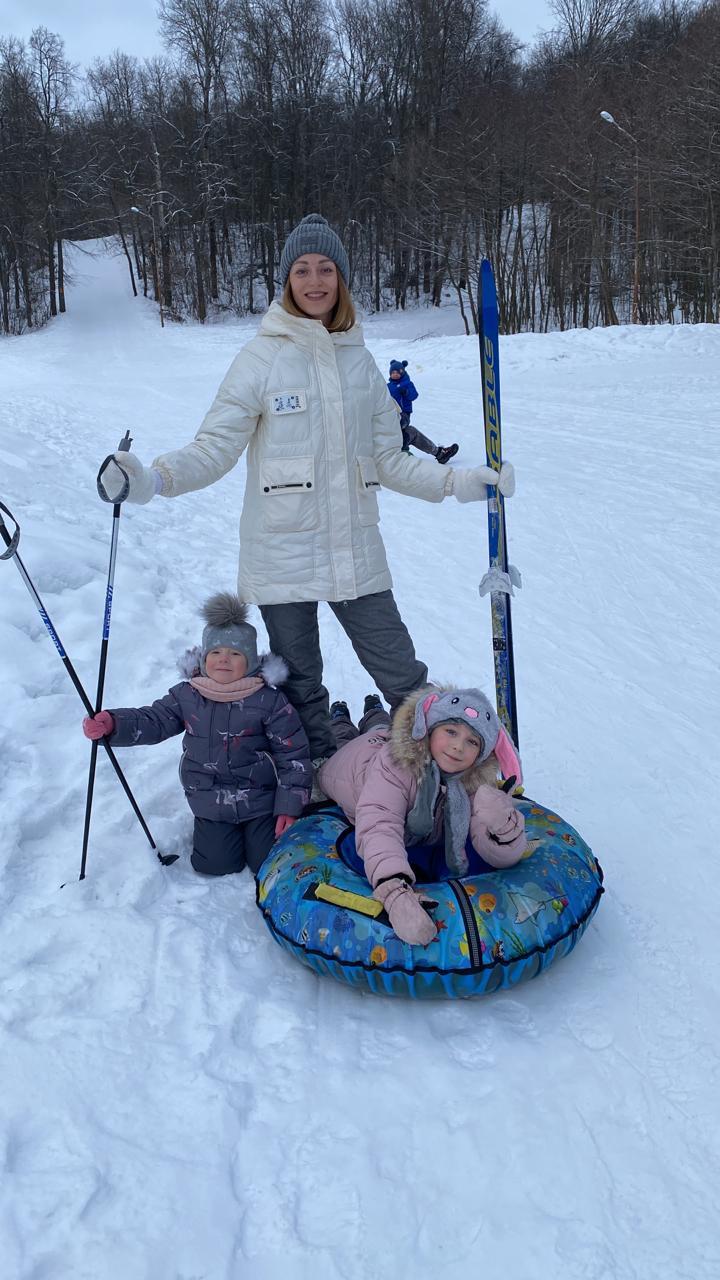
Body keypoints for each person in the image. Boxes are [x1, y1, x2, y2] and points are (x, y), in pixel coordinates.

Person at [99, 212, 516, 791]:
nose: (315, 280)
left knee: (399, 666)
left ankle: (449, 768)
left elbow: (389, 459)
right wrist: (152, 479)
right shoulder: (261, 358)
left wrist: (460, 483)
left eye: (326, 269)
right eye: (302, 270)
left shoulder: (362, 364)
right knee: (299, 678)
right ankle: (319, 770)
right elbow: (215, 447)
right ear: (286, 280)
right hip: (280, 552)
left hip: (354, 546)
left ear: (341, 279)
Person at [82, 592, 312, 877]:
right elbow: (154, 720)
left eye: (235, 653)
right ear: (204, 659)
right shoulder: (188, 696)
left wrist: (289, 807)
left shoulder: (269, 700)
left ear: (251, 661)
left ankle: (257, 837)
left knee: (268, 862)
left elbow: (293, 756)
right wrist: (114, 725)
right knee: (214, 864)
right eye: (215, 652)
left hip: (261, 801)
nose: (223, 660)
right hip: (211, 801)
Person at [319, 686, 527, 945]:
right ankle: (340, 715)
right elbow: (379, 825)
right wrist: (394, 892)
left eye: (472, 741)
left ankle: (374, 709)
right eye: (451, 731)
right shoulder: (394, 767)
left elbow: (489, 845)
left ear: (482, 753)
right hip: (355, 760)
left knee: (380, 727)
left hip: (383, 738)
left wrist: (503, 830)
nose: (458, 746)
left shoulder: (472, 783)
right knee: (346, 738)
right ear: (429, 728)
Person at [388, 359, 459, 465]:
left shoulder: (406, 383)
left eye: (397, 372)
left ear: (402, 373)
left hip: (403, 414)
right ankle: (404, 453)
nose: (395, 375)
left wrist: (406, 392)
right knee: (408, 432)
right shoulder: (387, 386)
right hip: (390, 417)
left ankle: (439, 453)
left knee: (407, 429)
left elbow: (414, 395)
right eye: (392, 373)